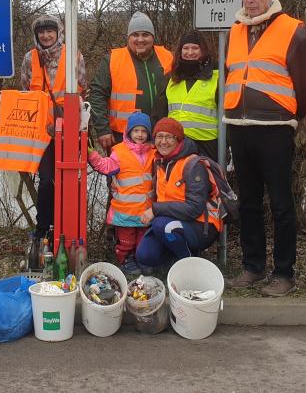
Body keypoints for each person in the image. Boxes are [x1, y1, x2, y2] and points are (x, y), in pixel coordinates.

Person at [221, 0, 306, 297]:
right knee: (248, 201)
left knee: (280, 203)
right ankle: (253, 266)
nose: (250, 0)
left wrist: (287, 115)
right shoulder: (236, 31)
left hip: (275, 129)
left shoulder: (294, 30)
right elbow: (231, 74)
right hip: (239, 126)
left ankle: (284, 273)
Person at [18, 15, 87, 241]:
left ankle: (65, 228)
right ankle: (43, 228)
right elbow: (25, 92)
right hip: (41, 132)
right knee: (46, 180)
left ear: (58, 32)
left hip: (69, 129)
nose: (46, 36)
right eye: (41, 32)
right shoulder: (30, 58)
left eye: (50, 31)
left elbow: (82, 89)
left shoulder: (74, 55)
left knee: (68, 180)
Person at [133, 118, 221, 270]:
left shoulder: (193, 164)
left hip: (201, 225)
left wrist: (156, 209)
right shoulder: (160, 161)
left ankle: (190, 267)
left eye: (169, 137)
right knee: (144, 256)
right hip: (171, 222)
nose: (163, 142)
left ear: (179, 139)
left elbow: (194, 208)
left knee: (162, 226)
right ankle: (176, 258)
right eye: (159, 136)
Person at [87, 12, 174, 150]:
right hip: (121, 135)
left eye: (145, 34)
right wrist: (103, 130)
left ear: (152, 37)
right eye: (135, 35)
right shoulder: (112, 59)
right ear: (128, 38)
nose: (140, 39)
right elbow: (97, 95)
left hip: (160, 135)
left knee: (160, 172)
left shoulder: (167, 57)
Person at [87, 112, 154, 275]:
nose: (140, 134)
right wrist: (91, 154)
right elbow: (105, 166)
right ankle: (125, 260)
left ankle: (140, 259)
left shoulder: (153, 152)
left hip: (146, 210)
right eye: (136, 130)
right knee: (126, 241)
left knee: (143, 240)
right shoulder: (119, 151)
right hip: (125, 211)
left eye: (144, 131)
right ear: (129, 132)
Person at [160, 30, 220, 159]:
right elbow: (159, 113)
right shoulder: (171, 78)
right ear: (180, 52)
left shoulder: (217, 77)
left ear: (203, 50)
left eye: (195, 48)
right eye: (186, 48)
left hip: (207, 146)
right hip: (175, 144)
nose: (190, 52)